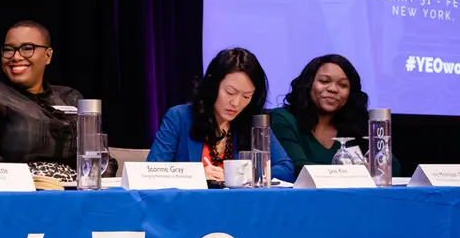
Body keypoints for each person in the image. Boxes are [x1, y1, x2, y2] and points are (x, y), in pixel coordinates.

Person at [0, 20, 89, 181]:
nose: (16, 57)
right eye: (8, 49)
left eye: (27, 49)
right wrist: (33, 181)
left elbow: (98, 158)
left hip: (76, 194)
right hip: (19, 196)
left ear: (48, 56)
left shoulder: (69, 97)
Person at [148, 47, 295, 183]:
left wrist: (243, 175)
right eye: (230, 92)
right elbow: (152, 171)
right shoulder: (179, 117)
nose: (236, 103)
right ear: (213, 85)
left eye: (246, 96)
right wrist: (196, 176)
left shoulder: (253, 123)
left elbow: (286, 169)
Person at [271, 54, 401, 178]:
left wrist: (379, 168)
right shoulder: (284, 118)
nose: (333, 89)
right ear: (308, 84)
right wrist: (356, 173)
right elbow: (298, 168)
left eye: (343, 85)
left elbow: (393, 168)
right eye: (324, 81)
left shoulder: (357, 123)